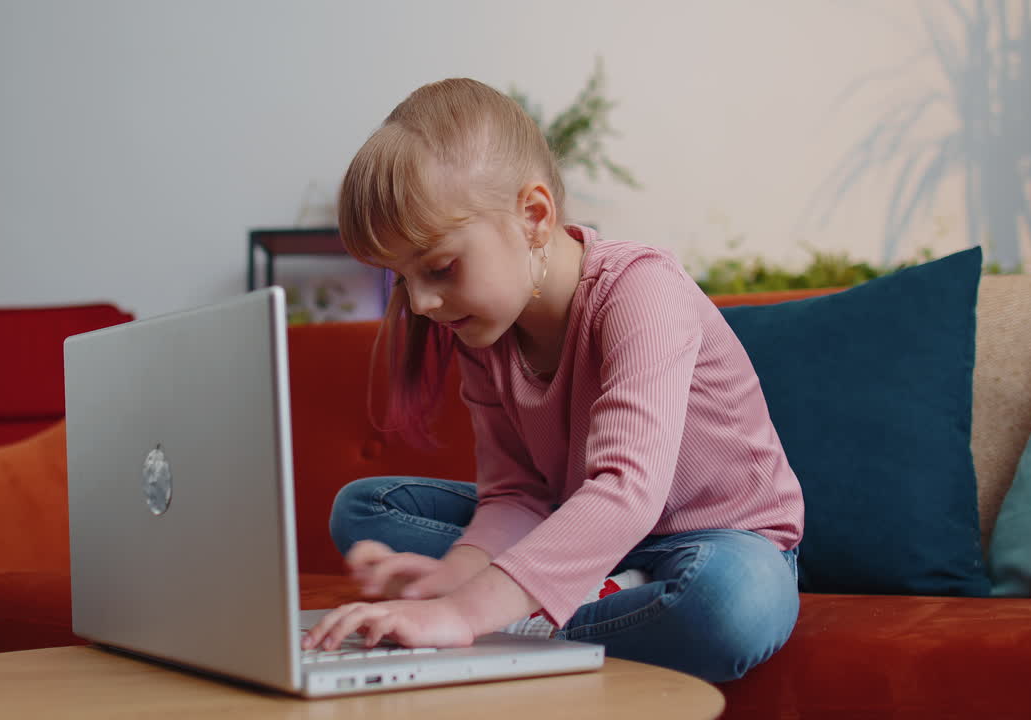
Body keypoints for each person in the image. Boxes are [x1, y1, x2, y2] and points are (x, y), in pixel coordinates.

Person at [301, 78, 804, 683]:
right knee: (364, 508)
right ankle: (580, 593)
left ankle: (520, 620)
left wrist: (464, 611)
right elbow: (518, 494)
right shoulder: (483, 324)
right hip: (581, 527)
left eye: (438, 267)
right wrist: (456, 572)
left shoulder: (640, 290)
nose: (425, 301)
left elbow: (627, 490)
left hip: (711, 542)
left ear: (533, 216)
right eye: (402, 280)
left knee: (731, 605)